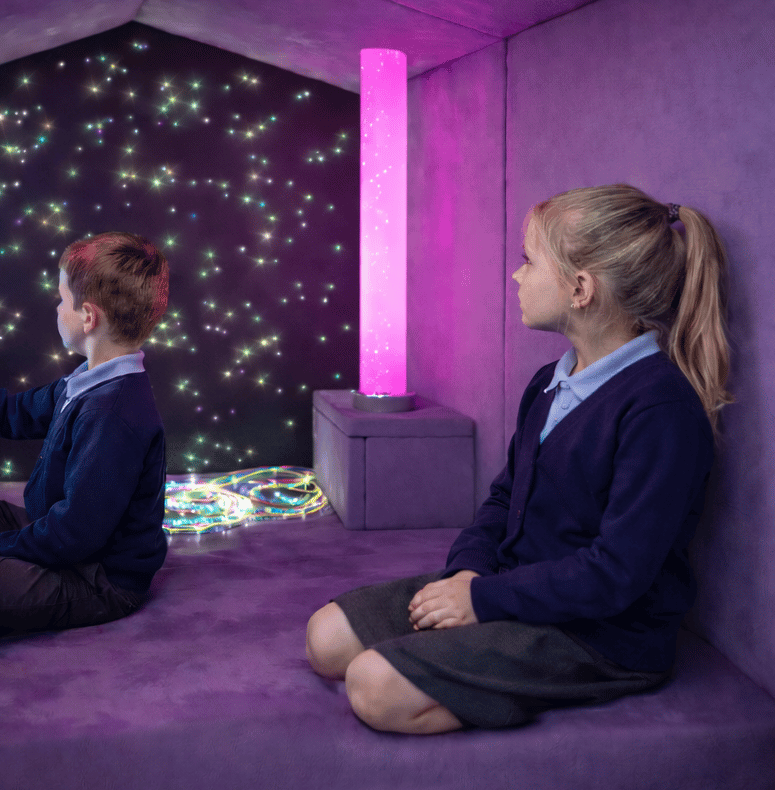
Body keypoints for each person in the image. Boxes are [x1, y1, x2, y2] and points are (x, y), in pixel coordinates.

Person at [306, 184, 732, 733]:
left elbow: (616, 573)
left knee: (374, 687)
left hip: (597, 632)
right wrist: (467, 572)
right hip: (511, 586)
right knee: (326, 639)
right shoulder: (550, 382)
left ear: (581, 289)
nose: (516, 275)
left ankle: (505, 691)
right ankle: (474, 655)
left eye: (529, 261)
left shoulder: (662, 410)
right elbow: (506, 497)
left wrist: (483, 600)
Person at [0, 231, 170, 660]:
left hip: (96, 579)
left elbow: (74, 535)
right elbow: (12, 413)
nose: (56, 308)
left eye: (62, 300)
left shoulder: (115, 414)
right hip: (64, 544)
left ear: (88, 317)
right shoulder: (82, 384)